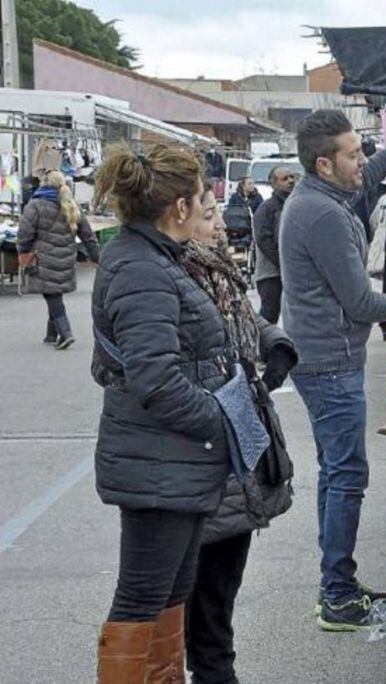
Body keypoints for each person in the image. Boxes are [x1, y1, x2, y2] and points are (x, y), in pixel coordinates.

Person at [280, 109, 386, 631]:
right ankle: (337, 594)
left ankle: (338, 585)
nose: (361, 160)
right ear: (325, 163)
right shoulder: (322, 214)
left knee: (337, 471)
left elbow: (370, 176)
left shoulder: (322, 194)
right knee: (347, 474)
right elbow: (359, 303)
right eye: (352, 153)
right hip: (329, 363)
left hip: (322, 356)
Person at [90, 144, 233, 681]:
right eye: (202, 197)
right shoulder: (141, 268)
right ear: (178, 207)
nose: (207, 205)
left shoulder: (156, 258)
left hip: (174, 462)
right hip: (159, 463)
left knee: (169, 593)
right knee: (143, 597)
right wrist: (225, 422)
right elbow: (158, 381)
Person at [182, 187, 297, 684]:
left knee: (218, 595)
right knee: (206, 602)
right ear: (178, 216)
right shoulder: (178, 277)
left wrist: (276, 344)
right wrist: (226, 406)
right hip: (208, 457)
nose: (220, 225)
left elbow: (245, 325)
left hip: (232, 455)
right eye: (208, 216)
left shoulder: (216, 272)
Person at [17, 170, 100, 349]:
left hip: (43, 258)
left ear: (44, 184)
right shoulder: (71, 204)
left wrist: (22, 250)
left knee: (52, 295)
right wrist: (97, 257)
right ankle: (51, 334)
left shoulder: (35, 204)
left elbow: (24, 233)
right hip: (66, 259)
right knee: (53, 292)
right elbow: (88, 235)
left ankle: (66, 333)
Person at [252, 165, 295, 323]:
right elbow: (264, 241)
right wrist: (283, 262)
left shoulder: (294, 205)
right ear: (273, 183)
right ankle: (261, 346)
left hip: (290, 271)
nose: (290, 181)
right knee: (269, 314)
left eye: (291, 177)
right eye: (285, 178)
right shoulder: (267, 209)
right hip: (271, 273)